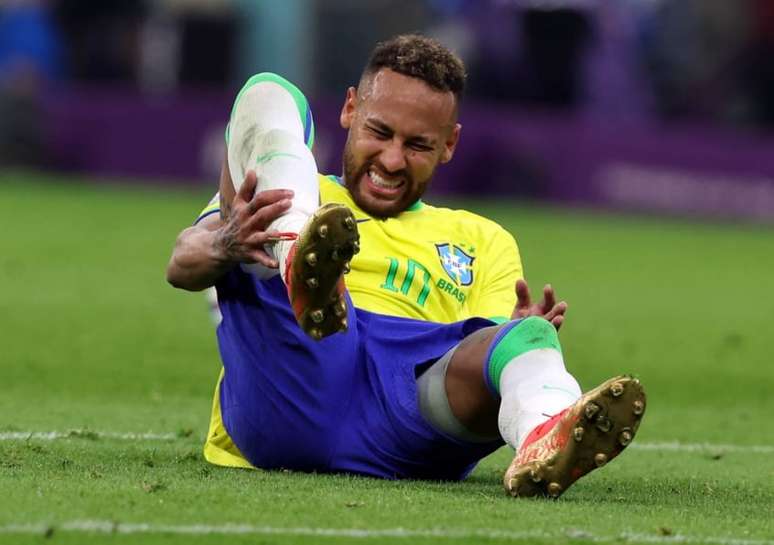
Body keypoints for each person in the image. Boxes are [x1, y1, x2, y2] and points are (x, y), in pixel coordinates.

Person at [166, 34, 645, 498]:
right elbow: (182, 264)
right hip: (291, 389)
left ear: (449, 143)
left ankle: (546, 433)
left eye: (417, 145)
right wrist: (227, 244)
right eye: (379, 132)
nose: (392, 160)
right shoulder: (287, 186)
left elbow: (479, 364)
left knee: (528, 341)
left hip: (408, 418)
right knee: (270, 92)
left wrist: (515, 337)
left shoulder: (483, 239)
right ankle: (299, 256)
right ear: (350, 109)